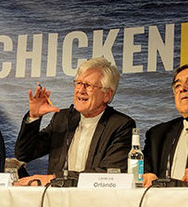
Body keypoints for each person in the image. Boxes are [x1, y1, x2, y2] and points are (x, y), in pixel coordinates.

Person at [14, 57, 135, 185]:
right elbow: (24, 154)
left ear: (107, 95)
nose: (80, 90)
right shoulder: (63, 118)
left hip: (95, 200)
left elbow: (109, 174)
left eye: (88, 85)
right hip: (56, 198)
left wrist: (54, 178)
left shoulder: (120, 125)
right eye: (78, 83)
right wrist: (34, 116)